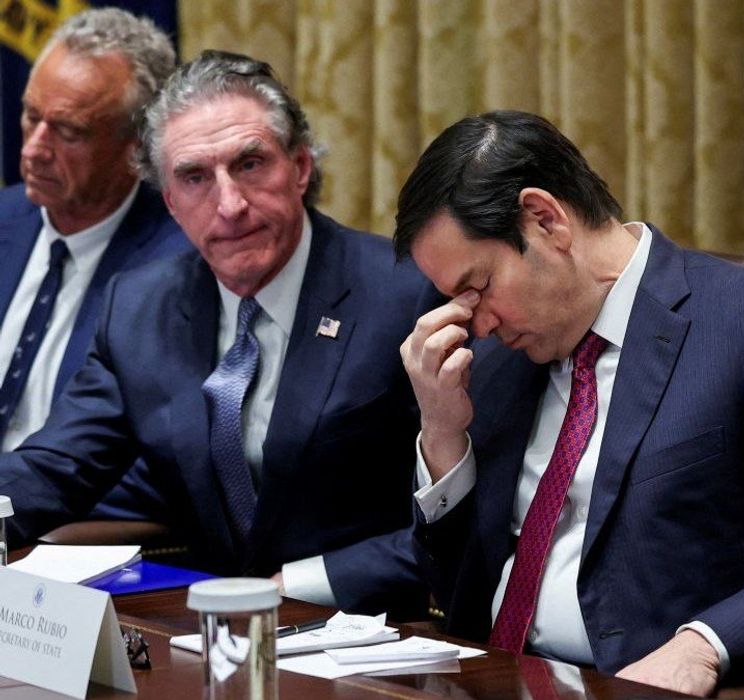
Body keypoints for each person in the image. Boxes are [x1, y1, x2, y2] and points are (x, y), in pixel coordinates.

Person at [360, 110, 744, 694]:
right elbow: (457, 594)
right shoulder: (497, 364)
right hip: (490, 679)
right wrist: (443, 435)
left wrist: (705, 645)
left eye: (478, 287)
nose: (476, 323)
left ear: (544, 219)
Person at [0, 50, 436, 595]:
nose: (229, 204)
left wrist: (295, 585)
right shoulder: (140, 308)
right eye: (194, 177)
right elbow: (52, 469)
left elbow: (461, 512)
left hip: (375, 627)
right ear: (170, 203)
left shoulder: (404, 291)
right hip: (206, 630)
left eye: (250, 164)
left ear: (299, 168)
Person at [0, 8, 188, 453]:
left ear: (136, 147)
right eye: (30, 116)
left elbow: (151, 467)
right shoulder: (4, 220)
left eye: (68, 132)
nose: (33, 149)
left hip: (56, 515)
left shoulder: (181, 269)